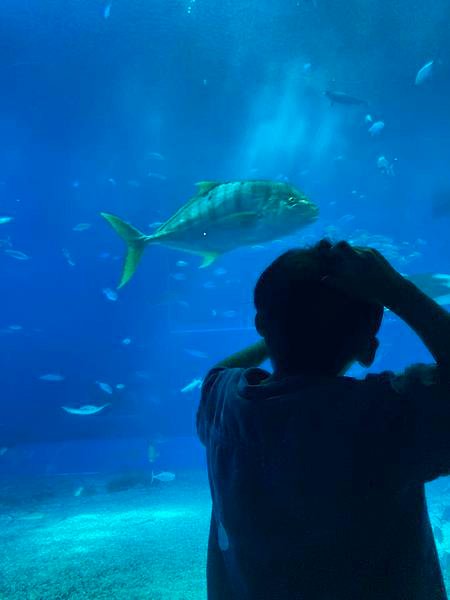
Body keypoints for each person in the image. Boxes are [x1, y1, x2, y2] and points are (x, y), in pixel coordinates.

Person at [196, 239, 450, 600]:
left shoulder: (223, 402)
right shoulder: (384, 416)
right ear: (369, 349)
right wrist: (397, 291)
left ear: (261, 324)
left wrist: (283, 326)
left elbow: (221, 369)